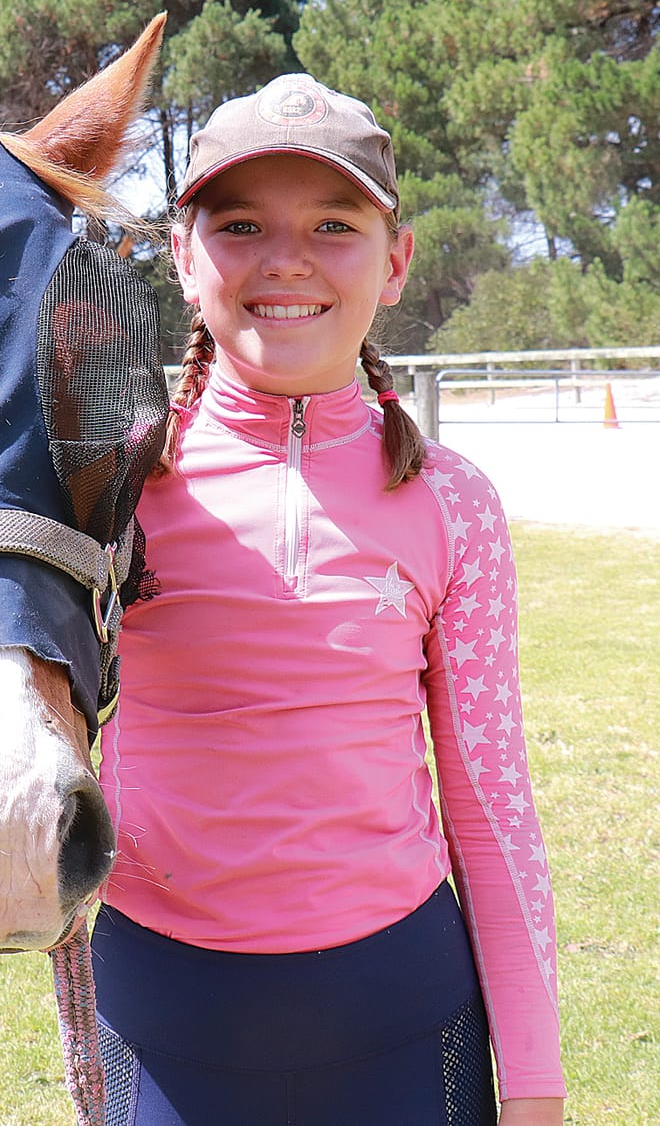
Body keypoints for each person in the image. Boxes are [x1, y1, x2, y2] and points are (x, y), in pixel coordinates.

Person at [91, 74, 566, 1125]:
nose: (285, 259)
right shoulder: (107, 488)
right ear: (182, 257)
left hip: (401, 1021)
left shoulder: (452, 502)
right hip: (165, 1021)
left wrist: (532, 1080)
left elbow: (488, 811)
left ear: (393, 262)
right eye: (241, 224)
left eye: (334, 224)